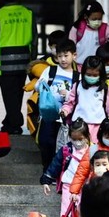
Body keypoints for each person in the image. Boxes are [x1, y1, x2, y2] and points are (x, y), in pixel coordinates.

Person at [0, 0, 37, 135]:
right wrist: (33, 61)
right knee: (17, 96)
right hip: (24, 63)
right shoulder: (28, 13)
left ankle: (15, 124)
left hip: (4, 64)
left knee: (9, 96)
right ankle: (9, 123)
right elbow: (35, 40)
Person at [34, 39, 79, 169]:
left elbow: (78, 95)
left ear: (74, 55)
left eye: (66, 56)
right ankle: (47, 170)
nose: (63, 59)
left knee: (63, 145)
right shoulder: (50, 71)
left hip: (66, 117)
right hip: (48, 114)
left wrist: (69, 94)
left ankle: (59, 171)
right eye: (60, 56)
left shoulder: (77, 76)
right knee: (46, 142)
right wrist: (43, 86)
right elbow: (38, 87)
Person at [60, 56, 109, 143]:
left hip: (98, 126)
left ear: (100, 75)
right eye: (89, 74)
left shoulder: (104, 89)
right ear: (83, 73)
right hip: (79, 126)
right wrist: (65, 111)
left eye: (95, 75)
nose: (91, 77)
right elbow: (70, 103)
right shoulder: (77, 86)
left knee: (93, 151)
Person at [41, 119, 90, 217]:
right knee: (66, 213)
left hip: (86, 187)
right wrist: (46, 180)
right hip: (68, 186)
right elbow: (55, 165)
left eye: (80, 139)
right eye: (74, 139)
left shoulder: (92, 151)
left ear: (87, 136)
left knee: (84, 214)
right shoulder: (66, 150)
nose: (77, 142)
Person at [68, 2, 109, 66]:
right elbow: (69, 46)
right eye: (94, 19)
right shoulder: (77, 27)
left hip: (97, 67)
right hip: (77, 65)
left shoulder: (105, 29)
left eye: (99, 19)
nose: (97, 22)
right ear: (86, 17)